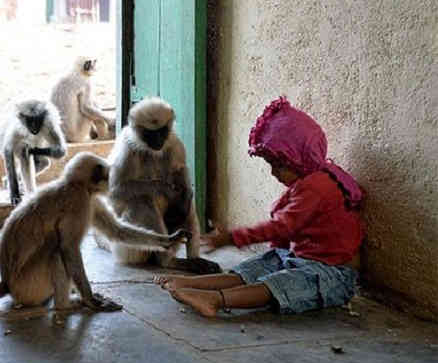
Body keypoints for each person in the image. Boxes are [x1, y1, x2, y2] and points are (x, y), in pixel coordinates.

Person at [155, 97, 363, 317]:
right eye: (271, 165)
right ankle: (197, 285)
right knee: (260, 264)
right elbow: (286, 234)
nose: (274, 172)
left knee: (279, 283)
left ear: (299, 158)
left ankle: (215, 299)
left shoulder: (317, 187)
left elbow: (281, 227)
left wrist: (230, 238)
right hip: (301, 259)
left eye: (279, 165)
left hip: (332, 275)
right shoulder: (309, 180)